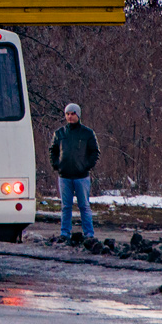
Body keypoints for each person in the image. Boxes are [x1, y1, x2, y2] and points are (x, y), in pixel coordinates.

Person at [49, 103, 100, 241]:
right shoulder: (59, 133)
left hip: (81, 176)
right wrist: (57, 166)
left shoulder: (87, 133)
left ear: (78, 115)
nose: (70, 116)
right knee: (66, 207)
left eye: (72, 114)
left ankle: (89, 234)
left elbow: (94, 152)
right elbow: (53, 151)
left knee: (84, 206)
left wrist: (86, 166)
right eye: (67, 114)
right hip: (64, 176)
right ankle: (65, 233)